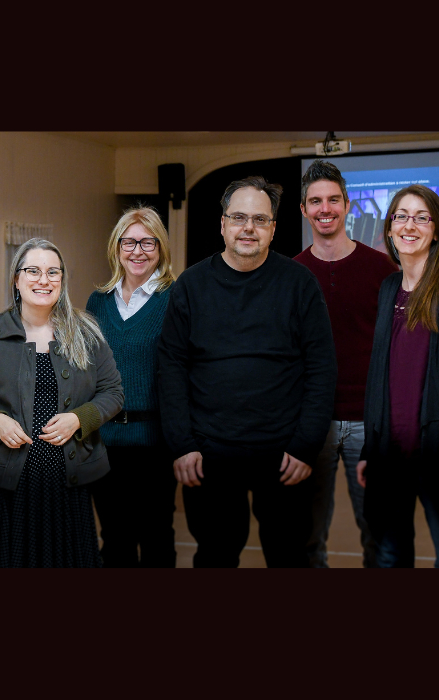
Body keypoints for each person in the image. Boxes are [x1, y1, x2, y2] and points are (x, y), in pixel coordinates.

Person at [158, 176, 337, 568]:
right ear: (223, 224)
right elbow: (171, 368)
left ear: (273, 228)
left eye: (260, 219)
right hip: (209, 455)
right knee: (215, 557)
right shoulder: (191, 286)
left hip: (285, 455)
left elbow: (322, 369)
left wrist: (305, 445)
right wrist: (182, 444)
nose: (248, 228)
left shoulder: (300, 284)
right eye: (239, 217)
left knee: (289, 557)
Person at [0, 238, 124, 567]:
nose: (43, 280)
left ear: (62, 279)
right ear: (16, 279)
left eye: (52, 272)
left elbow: (113, 392)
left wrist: (80, 419)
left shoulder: (86, 333)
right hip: (4, 482)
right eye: (32, 271)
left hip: (65, 482)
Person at [357, 184, 439, 568]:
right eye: (401, 216)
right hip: (389, 456)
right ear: (390, 227)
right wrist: (369, 449)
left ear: (437, 230)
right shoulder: (388, 288)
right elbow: (380, 374)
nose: (410, 225)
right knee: (390, 556)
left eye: (421, 217)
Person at [295, 160, 398, 568]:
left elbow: (397, 348)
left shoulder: (382, 269)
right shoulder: (291, 273)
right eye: (316, 201)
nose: (325, 209)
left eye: (333, 199)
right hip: (311, 422)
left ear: (348, 205)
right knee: (307, 535)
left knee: (379, 533)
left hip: (369, 422)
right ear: (304, 210)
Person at [86, 206, 177, 567]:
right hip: (105, 443)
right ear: (117, 247)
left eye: (147, 242)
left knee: (156, 538)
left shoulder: (175, 298)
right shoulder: (98, 301)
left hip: (156, 445)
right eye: (129, 242)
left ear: (160, 247)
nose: (137, 251)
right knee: (115, 540)